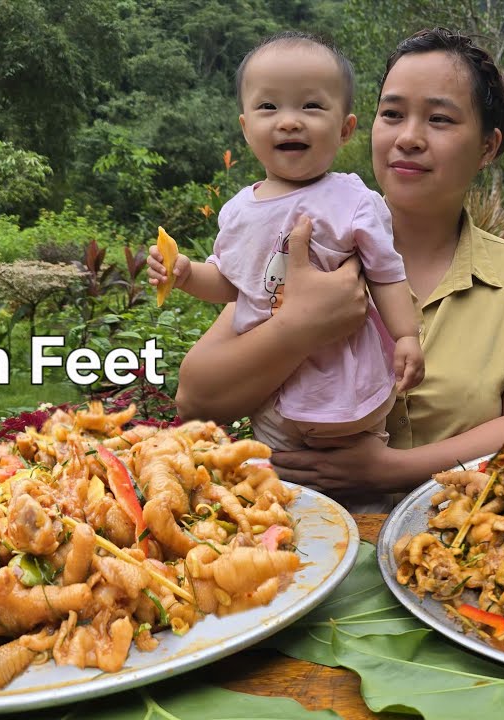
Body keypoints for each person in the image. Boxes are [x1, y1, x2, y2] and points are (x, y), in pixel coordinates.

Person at [150, 27, 504, 508]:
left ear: (486, 147)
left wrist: (389, 471)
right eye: (392, 114)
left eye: (440, 119)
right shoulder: (312, 244)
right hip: (302, 548)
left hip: (452, 545)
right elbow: (198, 399)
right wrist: (299, 327)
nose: (409, 138)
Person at [163, 31, 425, 453]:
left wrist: (407, 336)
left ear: (344, 128)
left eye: (311, 105)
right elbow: (231, 284)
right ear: (246, 128)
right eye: (269, 106)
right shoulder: (237, 211)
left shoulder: (353, 200)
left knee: (356, 478)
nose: (289, 120)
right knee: (280, 483)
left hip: (344, 382)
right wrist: (188, 273)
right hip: (272, 387)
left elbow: (385, 274)